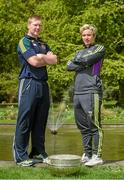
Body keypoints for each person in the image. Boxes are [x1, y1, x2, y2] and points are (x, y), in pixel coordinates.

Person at [13, 15, 57, 167]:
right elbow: (33, 62)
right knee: (25, 119)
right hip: (29, 82)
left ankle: (38, 152)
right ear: (29, 26)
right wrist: (44, 58)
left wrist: (41, 56)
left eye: (39, 25)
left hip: (43, 84)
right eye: (35, 25)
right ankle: (21, 157)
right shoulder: (24, 41)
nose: (37, 28)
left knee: (40, 120)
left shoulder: (44, 43)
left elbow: (55, 60)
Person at [67, 24, 106, 166]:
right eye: (84, 35)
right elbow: (68, 66)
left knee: (94, 124)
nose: (86, 37)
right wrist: (82, 63)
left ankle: (97, 156)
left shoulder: (100, 48)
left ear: (94, 35)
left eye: (89, 35)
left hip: (92, 90)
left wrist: (81, 62)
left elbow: (87, 60)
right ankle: (87, 154)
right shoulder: (79, 52)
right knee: (83, 125)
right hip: (78, 92)